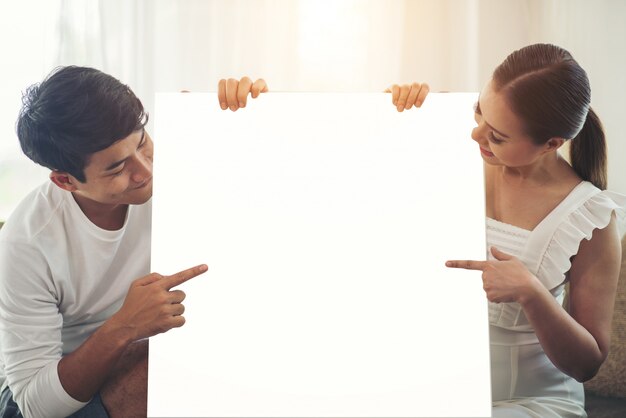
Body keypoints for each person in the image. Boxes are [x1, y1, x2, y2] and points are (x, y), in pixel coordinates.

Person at [0, 67, 265, 418]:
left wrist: (252, 113)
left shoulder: (182, 163)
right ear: (66, 181)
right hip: (52, 394)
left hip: (147, 346)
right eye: (117, 168)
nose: (145, 171)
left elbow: (264, 192)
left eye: (143, 143)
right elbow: (36, 404)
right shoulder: (26, 243)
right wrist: (126, 325)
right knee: (160, 365)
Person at [392, 43, 625, 417]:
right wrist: (391, 111)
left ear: (551, 144)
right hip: (432, 388)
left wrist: (532, 293)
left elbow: (587, 363)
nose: (475, 135)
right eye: (478, 111)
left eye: (497, 136)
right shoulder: (442, 144)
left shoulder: (589, 217)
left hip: (527, 402)